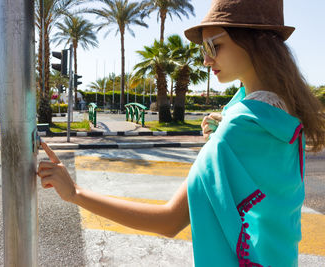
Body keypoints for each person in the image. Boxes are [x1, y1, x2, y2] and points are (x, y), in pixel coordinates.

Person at [38, 0, 325, 266]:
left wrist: (74, 192)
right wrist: (222, 127)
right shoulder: (284, 113)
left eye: (214, 46)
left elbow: (169, 221)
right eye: (203, 49)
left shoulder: (240, 126)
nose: (206, 60)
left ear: (254, 42)